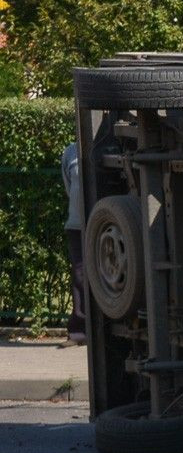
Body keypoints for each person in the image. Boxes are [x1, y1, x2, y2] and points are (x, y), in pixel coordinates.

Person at [61, 142, 87, 346]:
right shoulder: (70, 152)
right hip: (76, 224)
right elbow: (69, 187)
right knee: (79, 274)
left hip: (104, 220)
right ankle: (79, 331)